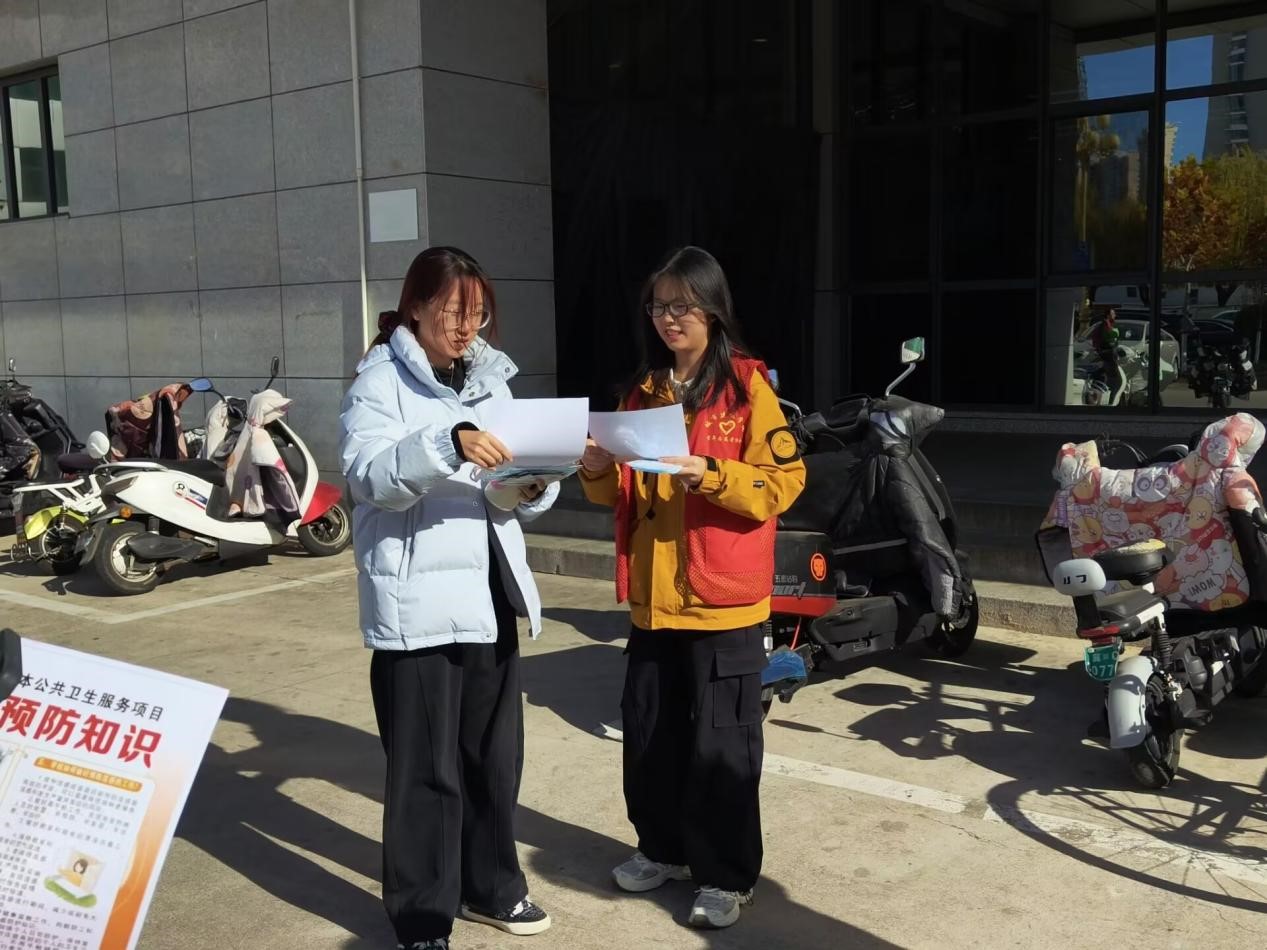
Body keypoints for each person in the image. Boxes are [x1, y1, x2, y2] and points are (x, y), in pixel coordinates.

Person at [579, 246, 807, 929]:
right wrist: (596, 465)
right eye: (658, 306)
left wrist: (709, 473)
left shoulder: (747, 389)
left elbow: (783, 484)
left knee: (722, 747)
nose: (668, 318)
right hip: (654, 599)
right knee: (650, 736)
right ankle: (662, 849)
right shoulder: (642, 392)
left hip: (721, 598)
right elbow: (612, 494)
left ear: (712, 309)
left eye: (681, 305)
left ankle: (725, 876)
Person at [339, 246, 557, 950]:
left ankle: (491, 888)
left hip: (488, 591)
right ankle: (423, 916)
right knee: (425, 771)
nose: (467, 328)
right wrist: (448, 441)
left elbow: (505, 487)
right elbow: (368, 477)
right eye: (453, 312)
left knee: (494, 759)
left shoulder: (492, 381)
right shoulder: (380, 382)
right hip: (418, 604)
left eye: (478, 314)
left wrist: (531, 484)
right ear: (415, 307)